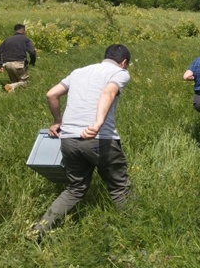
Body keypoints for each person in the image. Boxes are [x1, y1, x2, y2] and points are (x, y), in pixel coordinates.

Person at [29, 44, 132, 238]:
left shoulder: (78, 72)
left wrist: (57, 121)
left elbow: (51, 94)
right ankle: (138, 231)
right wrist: (98, 123)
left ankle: (38, 232)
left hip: (68, 140)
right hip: (99, 140)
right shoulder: (119, 72)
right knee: (120, 189)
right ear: (124, 62)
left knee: (75, 189)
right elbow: (108, 93)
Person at [0, 24, 37, 92]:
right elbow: (32, 52)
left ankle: (11, 92)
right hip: (19, 63)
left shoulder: (7, 40)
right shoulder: (26, 39)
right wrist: (32, 62)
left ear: (15, 31)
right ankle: (11, 86)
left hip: (7, 64)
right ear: (23, 31)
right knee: (25, 82)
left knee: (15, 81)